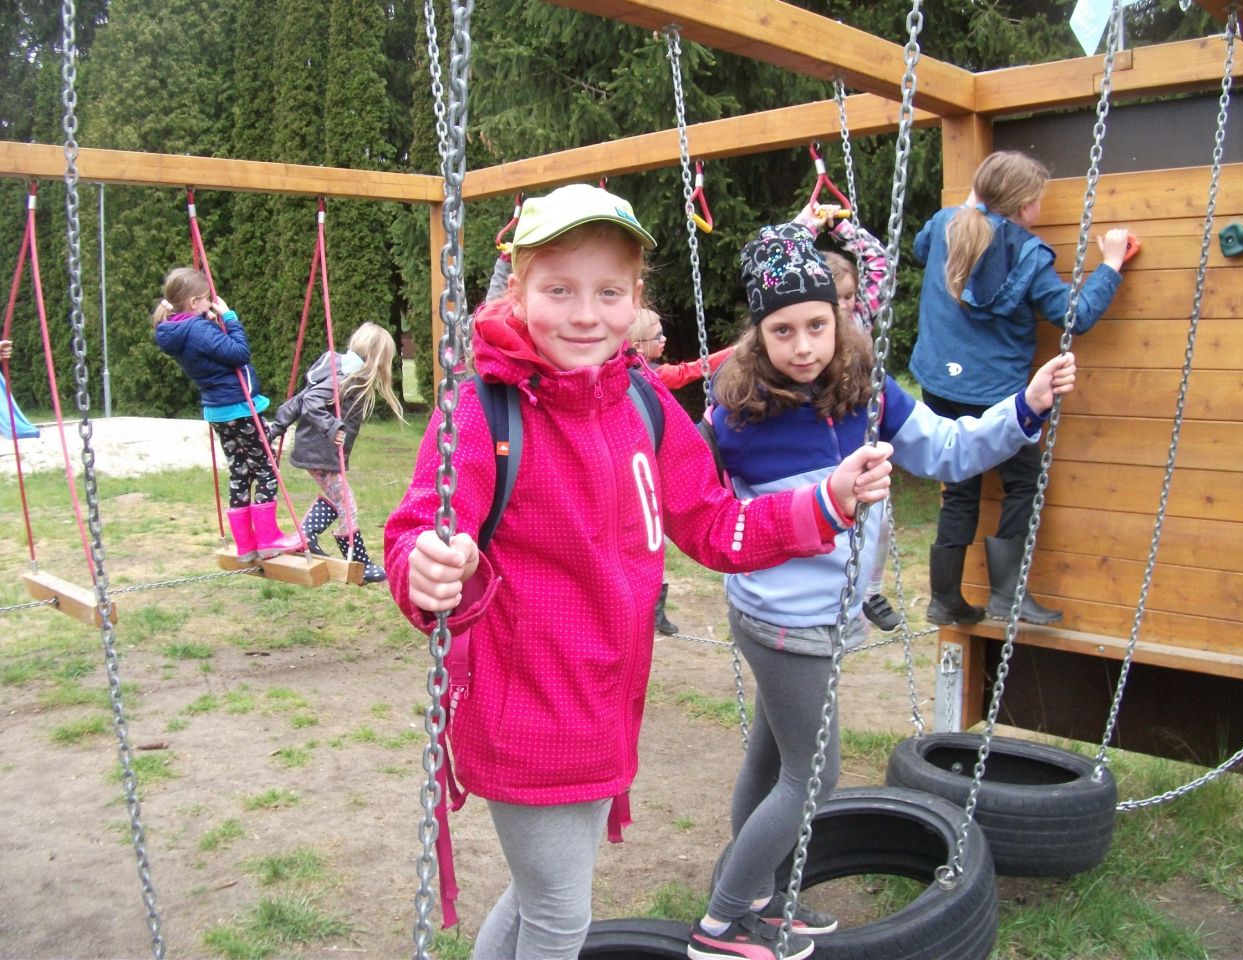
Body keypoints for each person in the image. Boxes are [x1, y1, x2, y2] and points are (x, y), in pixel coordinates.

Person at [383, 183, 893, 960]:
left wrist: (825, 500)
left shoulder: (641, 402)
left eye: (608, 292)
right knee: (559, 914)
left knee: (537, 895)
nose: (586, 315)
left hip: (605, 706)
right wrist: (424, 565)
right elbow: (421, 524)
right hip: (528, 712)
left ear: (635, 297)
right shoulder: (483, 410)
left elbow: (716, 525)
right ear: (518, 291)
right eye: (559, 290)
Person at [693, 221, 1079, 960]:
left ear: (839, 318)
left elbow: (950, 450)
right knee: (813, 776)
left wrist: (1025, 405)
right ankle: (723, 921)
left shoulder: (866, 395)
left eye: (816, 325)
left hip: (816, 615)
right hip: (784, 619)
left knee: (772, 762)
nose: (803, 346)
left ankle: (760, 898)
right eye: (782, 331)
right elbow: (698, 504)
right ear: (757, 337)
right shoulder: (738, 416)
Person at [910, 150, 1131, 625]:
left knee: (960, 488)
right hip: (996, 393)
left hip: (939, 381)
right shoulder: (1028, 254)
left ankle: (944, 598)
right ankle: (1007, 596)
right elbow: (1076, 316)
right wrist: (1111, 265)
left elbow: (921, 249)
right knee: (1024, 483)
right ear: (1026, 205)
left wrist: (972, 203)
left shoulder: (947, 224)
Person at [152, 267, 302, 561]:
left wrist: (209, 323)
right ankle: (269, 538)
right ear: (194, 302)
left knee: (240, 471)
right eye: (207, 299)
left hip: (218, 411)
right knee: (266, 468)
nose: (211, 304)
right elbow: (239, 353)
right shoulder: (199, 330)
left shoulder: (177, 330)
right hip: (239, 406)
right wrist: (230, 318)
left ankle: (245, 544)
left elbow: (208, 349)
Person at [802, 202, 904, 633]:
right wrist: (807, 229)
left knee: (879, 520)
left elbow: (880, 264)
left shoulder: (860, 316)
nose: (845, 305)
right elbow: (780, 264)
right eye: (837, 298)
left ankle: (871, 593)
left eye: (849, 296)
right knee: (828, 514)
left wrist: (841, 228)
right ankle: (826, 592)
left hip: (858, 423)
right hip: (818, 431)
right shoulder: (809, 330)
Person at [267, 322, 405, 584]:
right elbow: (310, 400)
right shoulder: (344, 377)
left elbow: (301, 398)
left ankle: (307, 537)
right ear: (377, 358)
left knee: (339, 498)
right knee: (346, 502)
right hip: (320, 453)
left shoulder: (342, 371)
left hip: (320, 452)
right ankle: (357, 560)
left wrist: (277, 427)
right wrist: (331, 427)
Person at [626, 307, 733, 637]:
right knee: (649, 537)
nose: (664, 339)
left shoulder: (641, 372)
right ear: (638, 346)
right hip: (641, 470)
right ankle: (651, 607)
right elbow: (690, 371)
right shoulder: (646, 374)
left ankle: (653, 606)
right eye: (657, 336)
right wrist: (734, 352)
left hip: (642, 466)